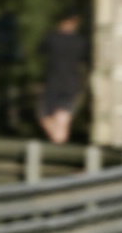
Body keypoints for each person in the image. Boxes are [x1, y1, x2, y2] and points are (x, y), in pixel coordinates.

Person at [38, 11, 88, 144]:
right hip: (71, 84)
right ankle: (59, 142)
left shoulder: (52, 38)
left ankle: (58, 143)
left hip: (54, 83)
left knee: (46, 116)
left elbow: (41, 50)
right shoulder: (80, 41)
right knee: (62, 119)